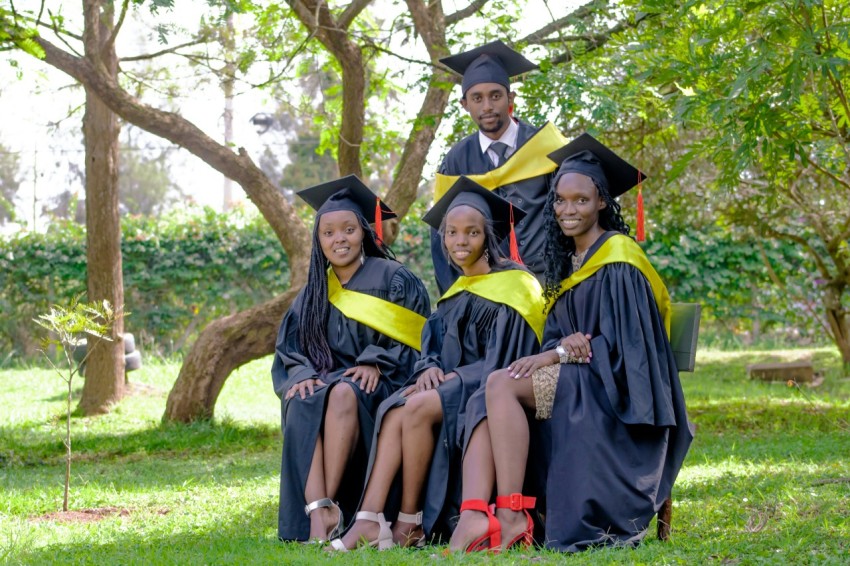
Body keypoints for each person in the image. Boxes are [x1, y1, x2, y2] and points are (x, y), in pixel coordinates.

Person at [451, 134, 694, 552]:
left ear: (601, 202)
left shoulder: (618, 257)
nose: (568, 210)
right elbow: (561, 337)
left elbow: (629, 347)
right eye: (560, 201)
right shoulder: (568, 263)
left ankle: (512, 516)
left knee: (501, 384)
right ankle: (477, 514)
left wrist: (559, 351)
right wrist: (560, 346)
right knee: (485, 395)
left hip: (613, 391)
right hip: (576, 379)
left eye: (580, 200)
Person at [330, 177, 545, 551]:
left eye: (471, 232)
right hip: (455, 382)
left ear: (488, 235)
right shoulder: (456, 292)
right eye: (451, 233)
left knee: (415, 407)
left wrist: (452, 377)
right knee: (395, 407)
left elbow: (509, 358)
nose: (460, 242)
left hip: (490, 385)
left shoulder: (516, 285)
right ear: (442, 238)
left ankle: (409, 521)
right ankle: (374, 519)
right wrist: (428, 368)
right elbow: (432, 346)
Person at [271, 175, 431, 543]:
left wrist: (376, 361)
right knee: (301, 396)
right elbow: (290, 349)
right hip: (329, 380)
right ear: (319, 240)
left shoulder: (394, 278)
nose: (338, 239)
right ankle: (321, 510)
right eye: (328, 233)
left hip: (380, 383)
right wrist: (302, 374)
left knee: (344, 391)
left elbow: (416, 339)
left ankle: (329, 510)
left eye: (347, 230)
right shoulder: (314, 292)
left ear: (364, 232)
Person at [432, 40, 570, 294]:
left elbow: (573, 213)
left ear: (510, 98)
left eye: (495, 95)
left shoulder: (545, 145)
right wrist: (455, 298)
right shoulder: (455, 161)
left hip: (553, 282)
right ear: (465, 105)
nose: (487, 106)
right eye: (477, 98)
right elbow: (442, 234)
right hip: (492, 291)